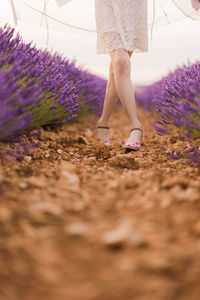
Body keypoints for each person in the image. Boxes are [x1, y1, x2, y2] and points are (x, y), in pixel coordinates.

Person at [95, 0, 200, 150]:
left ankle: (103, 124)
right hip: (106, 4)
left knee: (118, 68)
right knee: (121, 62)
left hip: (133, 7)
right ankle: (135, 128)